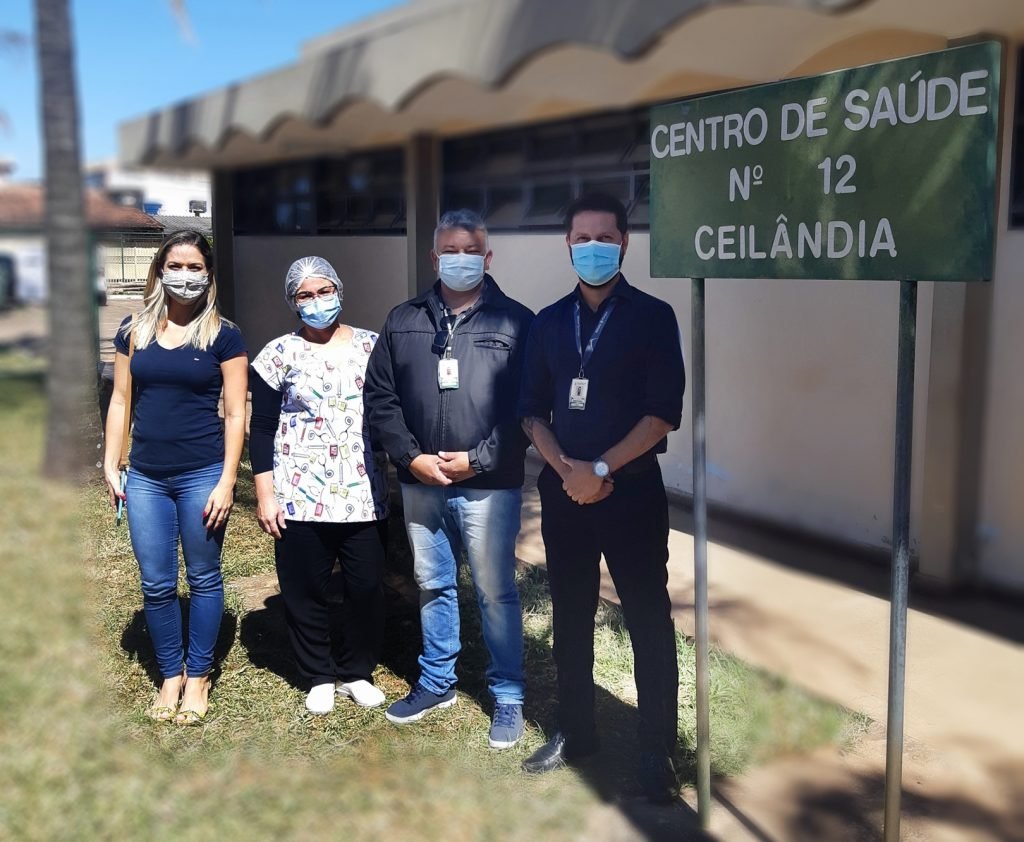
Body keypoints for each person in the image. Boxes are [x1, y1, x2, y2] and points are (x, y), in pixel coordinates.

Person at [517, 193, 685, 803]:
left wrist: (602, 467)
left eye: (605, 238)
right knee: (570, 614)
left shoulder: (653, 317)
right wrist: (568, 470)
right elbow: (531, 411)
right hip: (566, 493)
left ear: (624, 244)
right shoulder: (548, 322)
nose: (593, 248)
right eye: (582, 238)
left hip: (631, 492)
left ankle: (656, 749)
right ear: (567, 244)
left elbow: (663, 412)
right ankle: (576, 731)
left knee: (647, 618)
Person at [364, 209, 533, 749]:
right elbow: (380, 396)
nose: (461, 260)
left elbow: (528, 408)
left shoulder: (517, 322)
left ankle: (507, 694)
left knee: (494, 592)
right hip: (422, 483)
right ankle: (437, 681)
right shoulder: (402, 320)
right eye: (450, 251)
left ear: (488, 257)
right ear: (434, 258)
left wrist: (477, 460)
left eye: (472, 251)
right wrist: (411, 458)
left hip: (489, 485)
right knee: (433, 583)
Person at [103, 229, 248, 725]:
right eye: (176, 266)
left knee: (204, 577)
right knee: (156, 582)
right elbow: (121, 400)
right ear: (160, 271)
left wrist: (228, 480)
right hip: (146, 477)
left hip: (202, 473)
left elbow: (235, 413)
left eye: (195, 268)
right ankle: (171, 674)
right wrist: (112, 462)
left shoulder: (224, 335)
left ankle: (199, 674)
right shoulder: (134, 330)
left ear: (208, 275)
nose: (185, 276)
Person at [249, 257, 391, 715]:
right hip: (300, 495)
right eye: (305, 295)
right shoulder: (277, 355)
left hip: (362, 491)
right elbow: (262, 428)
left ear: (339, 291)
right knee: (304, 587)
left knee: (365, 587)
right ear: (292, 301)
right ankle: (320, 674)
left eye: (324, 291)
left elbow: (392, 409)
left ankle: (356, 670)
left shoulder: (373, 346)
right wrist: (266, 493)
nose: (316, 301)